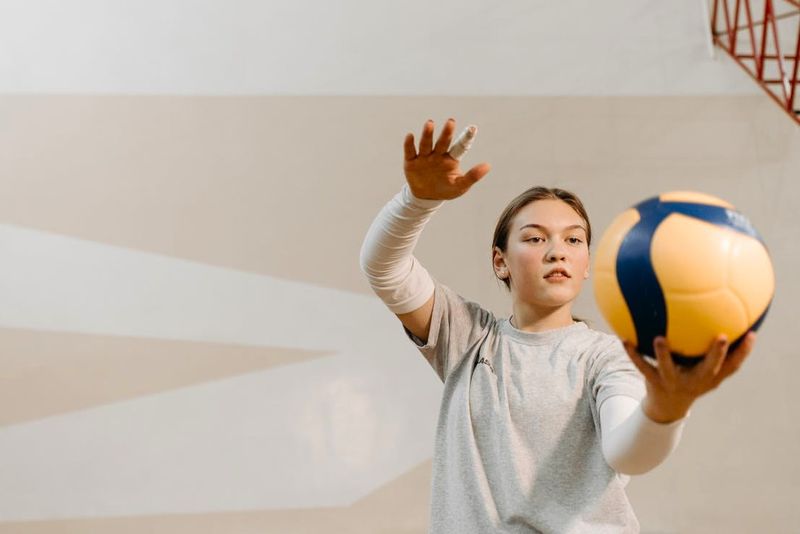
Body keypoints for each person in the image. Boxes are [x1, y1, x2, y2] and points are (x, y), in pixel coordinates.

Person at [359, 118, 756, 533]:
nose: (557, 252)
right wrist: (416, 201)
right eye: (535, 238)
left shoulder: (606, 356)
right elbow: (385, 269)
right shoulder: (467, 338)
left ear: (586, 264)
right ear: (500, 261)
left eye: (573, 239)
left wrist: (667, 411)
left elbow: (626, 453)